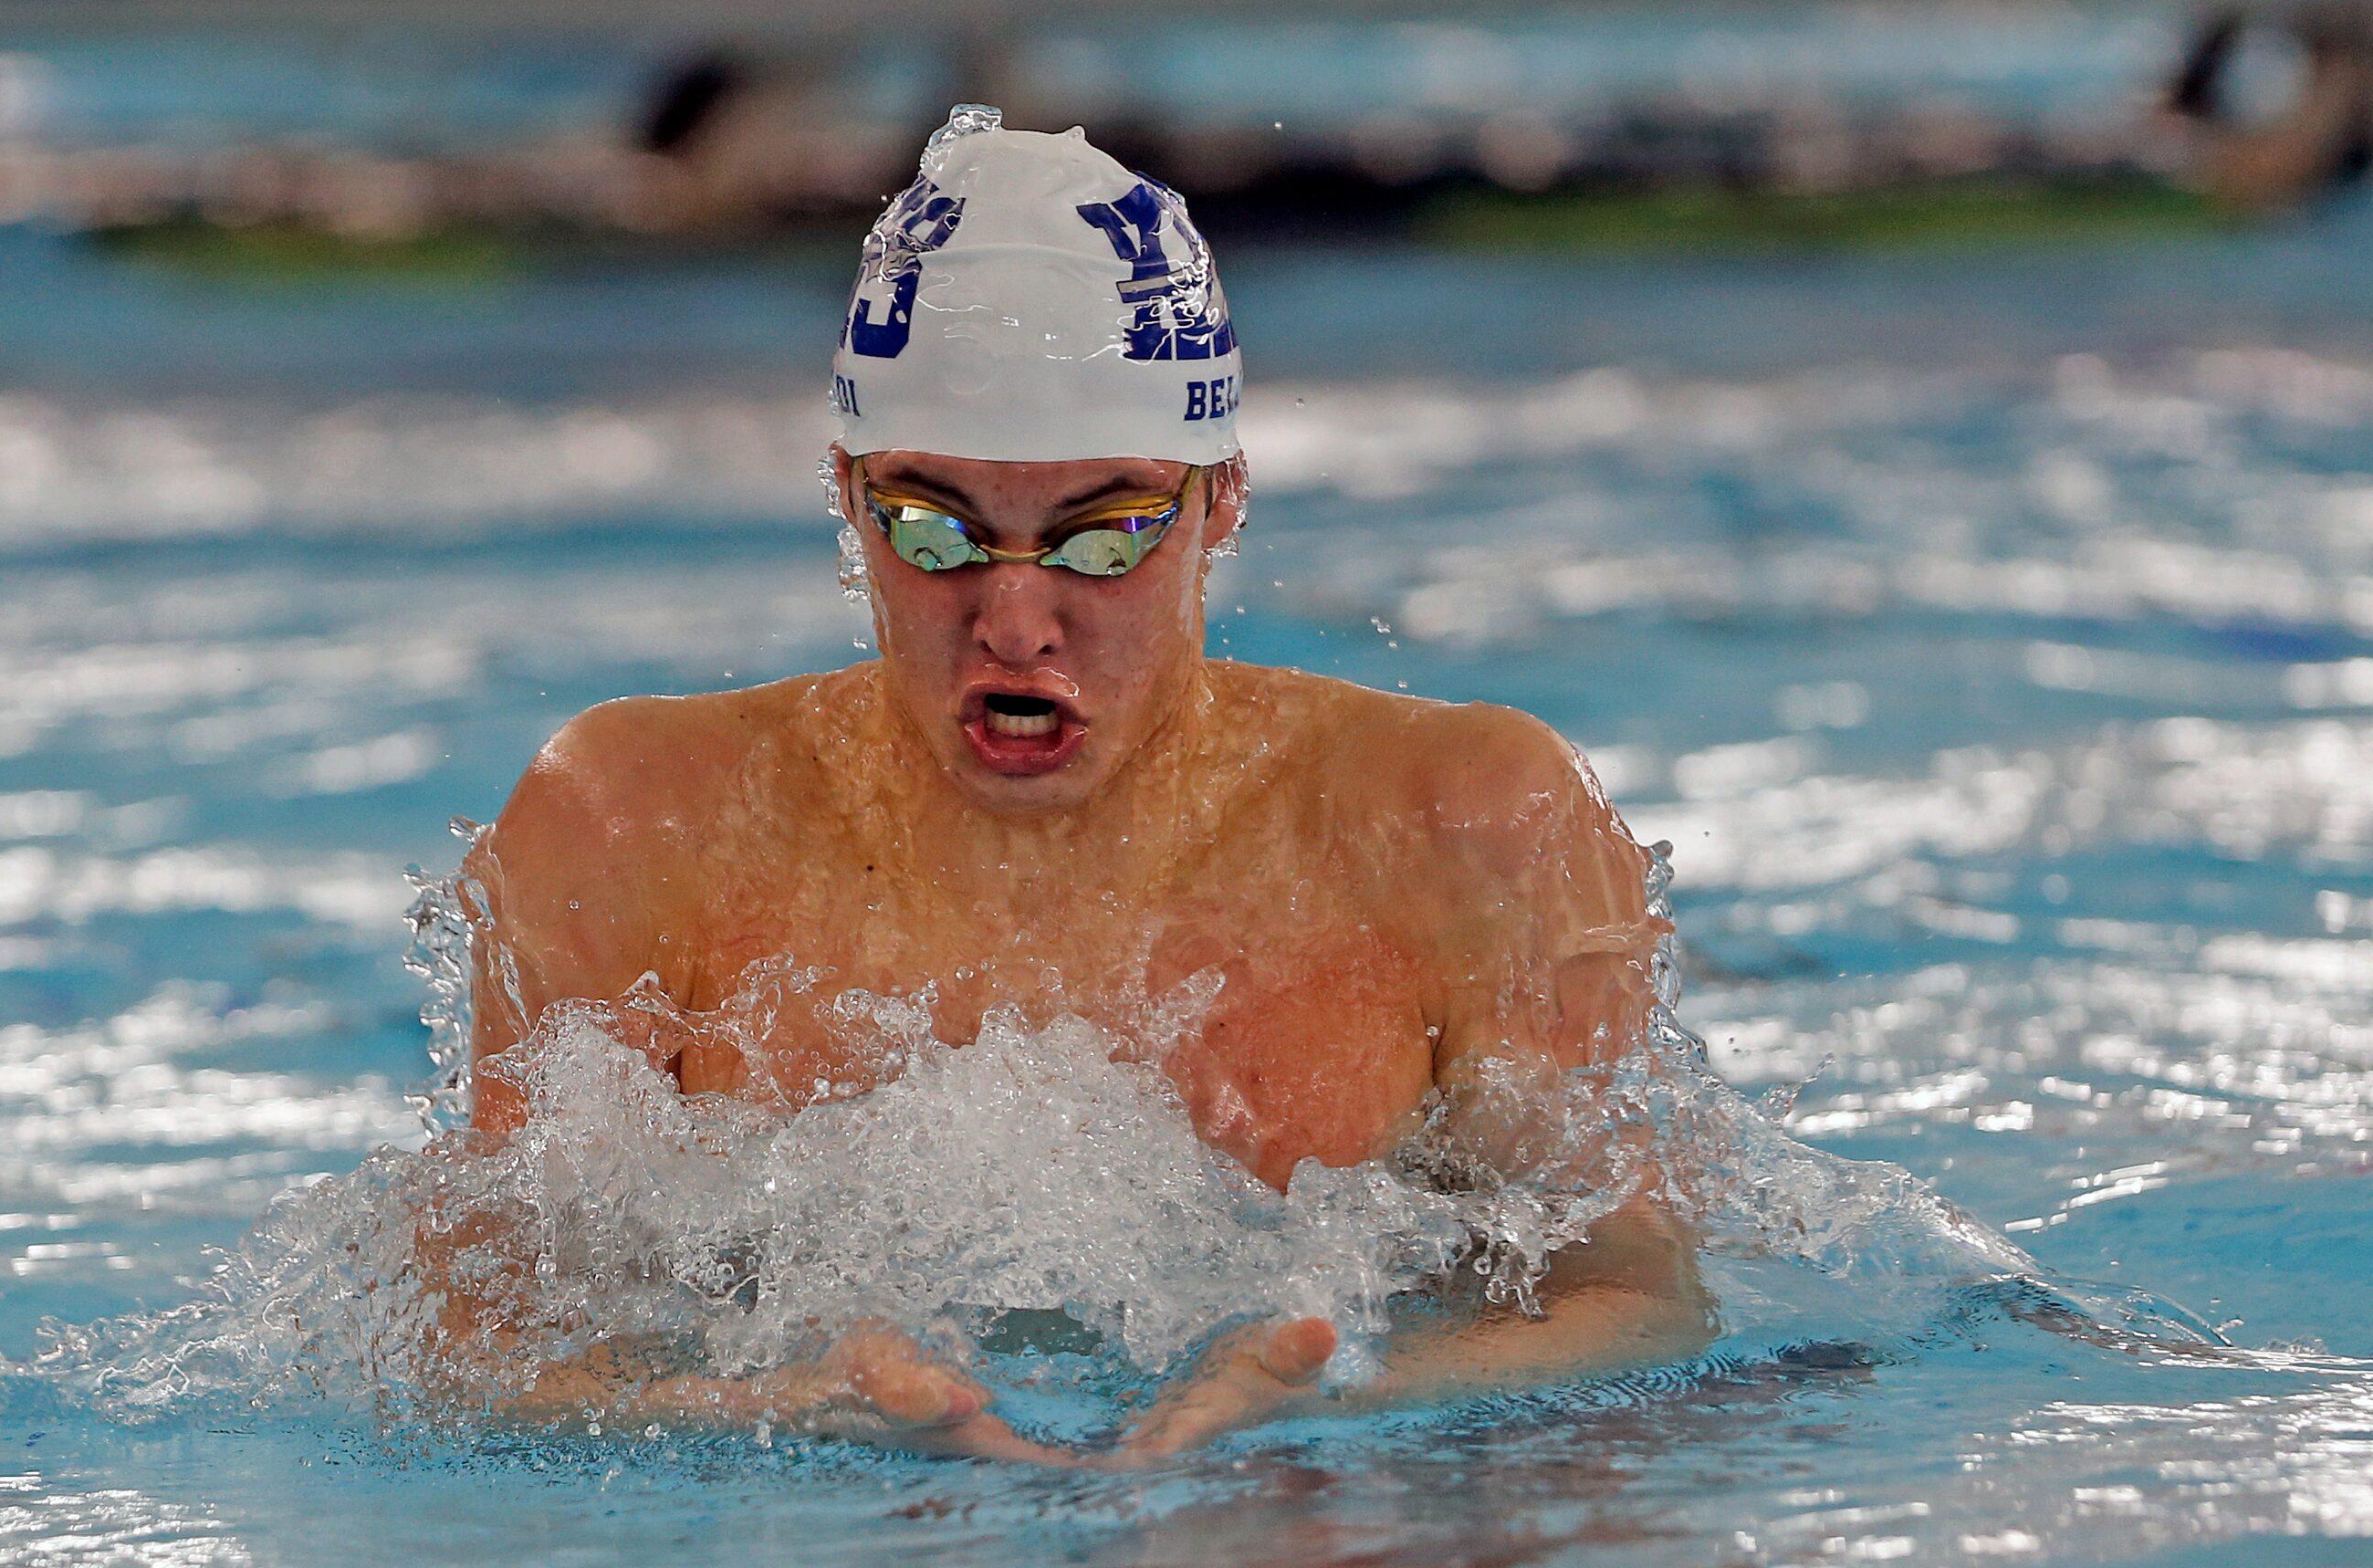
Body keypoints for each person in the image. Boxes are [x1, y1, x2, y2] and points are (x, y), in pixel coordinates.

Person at [443, 111, 1711, 1463]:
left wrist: (1344, 1401)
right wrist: (768, 1413)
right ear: (845, 490)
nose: (1016, 620)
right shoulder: (635, 828)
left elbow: (1636, 1295)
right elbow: (472, 1338)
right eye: (933, 530)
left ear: (1221, 495)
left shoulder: (1465, 826)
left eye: (1104, 535)